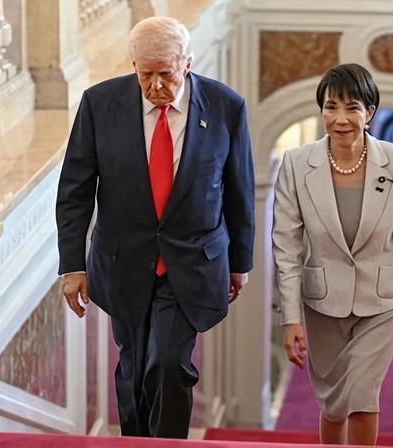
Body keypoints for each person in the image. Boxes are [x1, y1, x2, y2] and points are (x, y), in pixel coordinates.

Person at [56, 16, 254, 439]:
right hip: (123, 261)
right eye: (145, 74)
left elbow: (239, 189)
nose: (156, 85)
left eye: (165, 73)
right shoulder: (99, 104)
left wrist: (240, 262)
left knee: (167, 363)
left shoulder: (225, 107)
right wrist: (72, 266)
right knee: (133, 366)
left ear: (187, 63)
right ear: (133, 66)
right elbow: (74, 190)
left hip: (192, 262)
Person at [272, 63, 393, 446]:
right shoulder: (296, 164)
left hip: (385, 298)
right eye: (330, 107)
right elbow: (287, 246)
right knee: (333, 402)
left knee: (361, 394)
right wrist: (290, 318)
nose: (340, 118)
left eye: (352, 107)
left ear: (370, 112)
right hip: (323, 301)